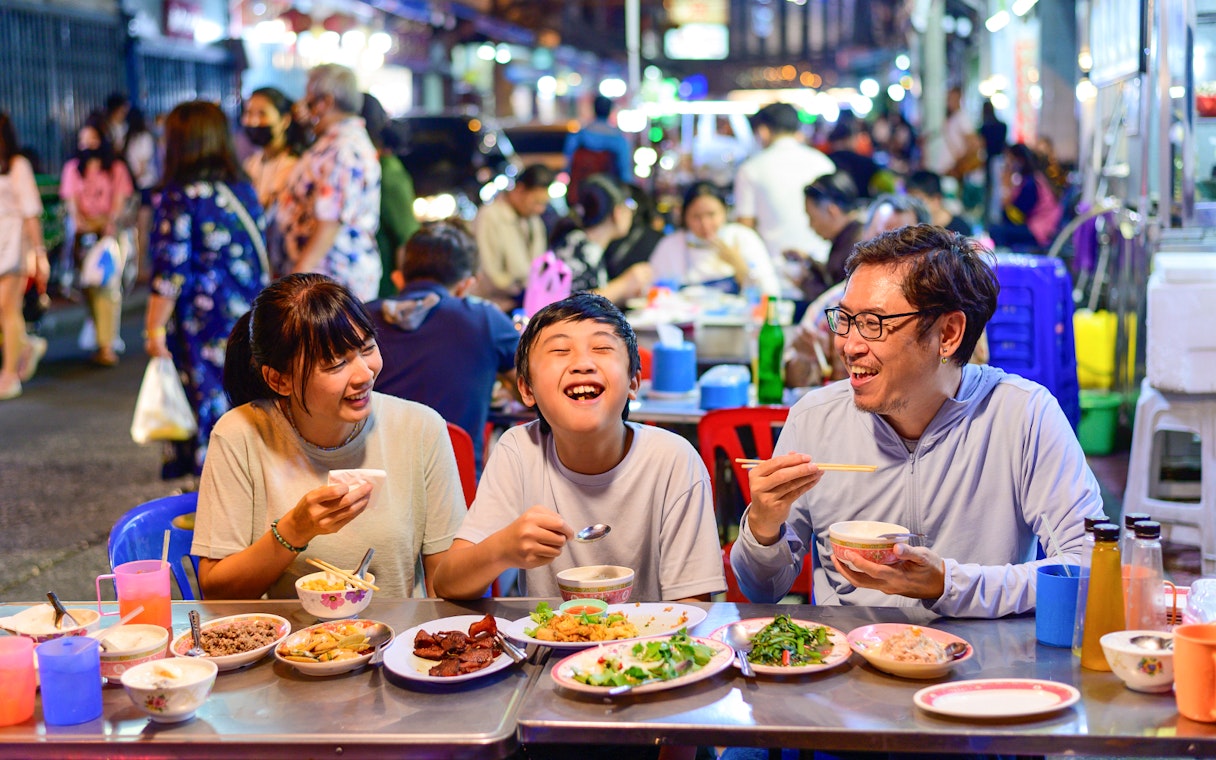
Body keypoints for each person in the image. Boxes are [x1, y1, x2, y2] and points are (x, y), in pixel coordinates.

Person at [730, 225, 1103, 617]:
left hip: (980, 668)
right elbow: (761, 590)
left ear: (949, 334)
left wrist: (948, 584)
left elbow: (1088, 568)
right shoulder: (815, 419)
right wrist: (762, 527)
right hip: (850, 663)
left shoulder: (1022, 414)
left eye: (874, 323)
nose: (849, 346)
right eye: (845, 319)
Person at [431, 292, 726, 602]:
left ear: (633, 383)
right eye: (560, 350)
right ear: (526, 389)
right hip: (549, 645)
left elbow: (693, 608)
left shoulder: (673, 460)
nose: (582, 364)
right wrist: (502, 549)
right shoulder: (520, 449)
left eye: (601, 348)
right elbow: (448, 584)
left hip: (647, 647)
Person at [191, 273, 466, 599]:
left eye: (367, 348)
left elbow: (445, 588)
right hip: (290, 645)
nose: (364, 374)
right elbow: (218, 592)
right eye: (336, 364)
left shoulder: (421, 428)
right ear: (279, 381)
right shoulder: (239, 435)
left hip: (397, 642)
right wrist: (295, 529)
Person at [143, 100, 270, 480]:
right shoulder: (242, 188)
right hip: (247, 316)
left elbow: (170, 271)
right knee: (241, 402)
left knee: (206, 405)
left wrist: (152, 329)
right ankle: (247, 488)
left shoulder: (181, 195)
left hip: (201, 323)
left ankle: (215, 501)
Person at [369, 221, 519, 473]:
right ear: (466, 284)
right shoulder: (485, 320)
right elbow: (531, 388)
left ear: (400, 277)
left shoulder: (360, 316)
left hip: (374, 485)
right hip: (458, 490)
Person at [278, 64, 382, 301]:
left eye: (308, 98)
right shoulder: (335, 142)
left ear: (325, 101)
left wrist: (293, 285)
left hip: (328, 286)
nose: (302, 107)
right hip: (322, 281)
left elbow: (330, 222)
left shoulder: (343, 149)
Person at [733, 102, 835, 296]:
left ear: (762, 131)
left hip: (775, 277)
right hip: (823, 274)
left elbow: (744, 230)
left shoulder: (751, 169)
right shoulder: (823, 163)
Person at [59, 115, 134, 366]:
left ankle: (107, 344)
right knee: (89, 289)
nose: (86, 144)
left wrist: (106, 224)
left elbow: (119, 207)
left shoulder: (117, 169)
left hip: (110, 239)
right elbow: (72, 208)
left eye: (92, 139)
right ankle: (100, 336)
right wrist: (89, 224)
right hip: (84, 239)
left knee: (108, 289)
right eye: (82, 139)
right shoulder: (72, 169)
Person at [649, 181, 780, 296]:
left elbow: (770, 293)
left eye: (711, 214)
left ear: (724, 211)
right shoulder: (670, 245)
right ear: (684, 217)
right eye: (696, 217)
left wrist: (738, 265)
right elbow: (653, 293)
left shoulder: (742, 237)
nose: (705, 224)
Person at [0, 111, 50, 400]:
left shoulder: (18, 165)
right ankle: (27, 345)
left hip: (13, 244)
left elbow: (31, 212)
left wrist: (39, 253)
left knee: (9, 309)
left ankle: (9, 375)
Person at [549, 173, 652, 305]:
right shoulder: (577, 245)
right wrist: (624, 284)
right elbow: (570, 306)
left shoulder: (586, 245)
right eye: (630, 207)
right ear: (618, 212)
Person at [241, 86, 307, 276]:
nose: (252, 121)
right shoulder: (251, 164)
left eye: (262, 114)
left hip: (286, 265)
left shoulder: (296, 166)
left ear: (285, 120)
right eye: (248, 113)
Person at [473, 163, 555, 312]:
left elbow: (539, 265)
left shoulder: (534, 220)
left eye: (544, 204)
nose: (540, 209)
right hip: (493, 308)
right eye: (536, 202)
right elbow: (488, 273)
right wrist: (520, 292)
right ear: (519, 190)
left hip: (525, 304)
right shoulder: (489, 216)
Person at [361, 93, 418, 299]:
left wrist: (405, 295)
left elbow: (406, 237)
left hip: (381, 290)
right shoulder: (371, 167)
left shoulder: (388, 173)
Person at [796, 172, 863, 304]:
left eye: (812, 217)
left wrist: (804, 282)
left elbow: (837, 303)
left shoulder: (857, 245)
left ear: (832, 211)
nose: (811, 225)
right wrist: (809, 262)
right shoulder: (849, 236)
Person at [989, 143, 1063, 250]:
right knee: (998, 229)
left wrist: (1006, 182)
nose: (1006, 163)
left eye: (1009, 158)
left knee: (996, 231)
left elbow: (1015, 215)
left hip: (1039, 231)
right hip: (1037, 227)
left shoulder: (1031, 183)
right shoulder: (1031, 179)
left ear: (1019, 160)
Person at [563, 94, 632, 201]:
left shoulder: (579, 136)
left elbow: (568, 162)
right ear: (610, 111)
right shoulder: (619, 139)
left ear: (594, 109)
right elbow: (624, 171)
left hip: (580, 191)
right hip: (608, 193)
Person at [122, 108, 159, 284]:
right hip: (144, 187)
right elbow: (143, 167)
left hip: (130, 187)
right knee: (143, 230)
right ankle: (140, 267)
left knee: (133, 229)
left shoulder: (126, 138)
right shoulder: (145, 138)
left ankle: (134, 267)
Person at [905, 170, 973, 236]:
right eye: (909, 201)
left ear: (936, 200)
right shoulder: (914, 227)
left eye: (918, 202)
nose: (912, 207)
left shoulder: (961, 230)